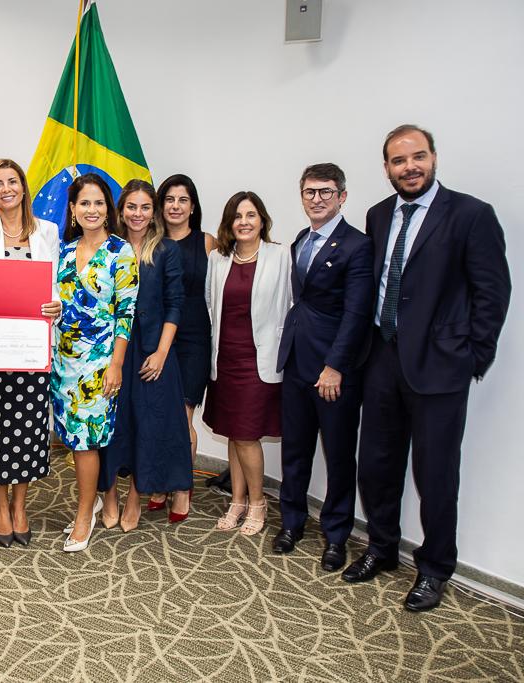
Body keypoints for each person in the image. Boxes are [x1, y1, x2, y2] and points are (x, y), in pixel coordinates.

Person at [342, 125, 511, 612]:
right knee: (376, 465)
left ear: (433, 158)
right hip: (381, 358)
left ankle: (435, 568)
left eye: (417, 157)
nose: (409, 167)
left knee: (436, 475)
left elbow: (493, 292)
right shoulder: (378, 215)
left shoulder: (470, 215)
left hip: (440, 368)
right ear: (387, 168)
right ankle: (382, 548)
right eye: (398, 161)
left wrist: (473, 356)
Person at [273, 164, 373, 571]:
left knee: (338, 455)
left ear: (342, 197)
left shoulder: (357, 245)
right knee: (295, 450)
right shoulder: (301, 239)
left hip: (333, 371)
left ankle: (336, 535)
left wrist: (335, 367)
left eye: (326, 192)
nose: (317, 199)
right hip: (297, 362)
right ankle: (291, 522)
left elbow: (357, 314)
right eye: (310, 192)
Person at [0, 159, 61, 547]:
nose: (6, 189)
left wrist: (56, 305)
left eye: (12, 181)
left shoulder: (47, 231)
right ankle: (1, 507)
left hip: (31, 348)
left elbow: (52, 284)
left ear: (23, 187)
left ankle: (21, 506)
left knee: (28, 429)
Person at [52, 173, 139, 552]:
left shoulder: (121, 251)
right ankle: (96, 501)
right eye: (84, 203)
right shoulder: (64, 251)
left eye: (99, 202)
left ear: (108, 209)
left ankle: (84, 514)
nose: (92, 209)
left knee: (86, 441)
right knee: (73, 439)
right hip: (62, 361)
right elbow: (55, 301)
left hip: (99, 363)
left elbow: (126, 314)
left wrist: (117, 364)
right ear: (73, 209)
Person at [98, 179, 190, 532]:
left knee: (147, 426)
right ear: (121, 210)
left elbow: (175, 304)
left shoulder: (166, 250)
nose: (138, 214)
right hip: (110, 350)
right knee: (111, 424)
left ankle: (136, 497)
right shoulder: (107, 247)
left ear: (154, 212)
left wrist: (162, 353)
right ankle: (109, 496)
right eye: (132, 207)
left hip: (152, 351)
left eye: (145, 207)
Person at [204, 191, 291, 536]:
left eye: (251, 215)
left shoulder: (280, 256)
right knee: (232, 431)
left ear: (262, 220)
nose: (244, 222)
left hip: (258, 362)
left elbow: (291, 305)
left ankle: (257, 502)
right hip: (225, 358)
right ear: (229, 223)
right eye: (237, 216)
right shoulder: (218, 259)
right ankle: (237, 501)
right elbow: (210, 304)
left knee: (246, 434)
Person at [153, 174, 217, 511]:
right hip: (157, 339)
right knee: (159, 414)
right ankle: (160, 483)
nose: (175, 206)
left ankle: (181, 487)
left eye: (183, 200)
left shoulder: (207, 242)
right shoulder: (151, 242)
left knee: (182, 416)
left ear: (193, 207)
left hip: (194, 339)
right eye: (169, 199)